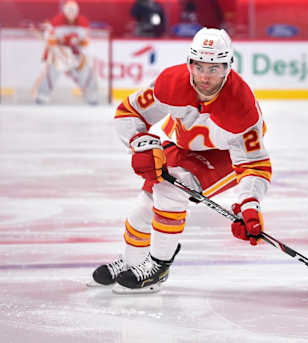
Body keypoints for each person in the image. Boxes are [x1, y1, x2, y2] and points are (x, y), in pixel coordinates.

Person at [89, 27, 272, 294]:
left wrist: (250, 204)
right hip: (183, 146)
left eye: (214, 69)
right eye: (199, 67)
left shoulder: (242, 108)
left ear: (228, 67)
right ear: (189, 64)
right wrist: (140, 144)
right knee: (144, 206)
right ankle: (131, 262)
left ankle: (159, 266)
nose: (205, 77)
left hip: (222, 157)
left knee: (171, 189)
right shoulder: (171, 83)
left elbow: (253, 163)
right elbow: (129, 112)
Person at [32, 0, 99, 105]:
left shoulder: (83, 22)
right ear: (65, 11)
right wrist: (61, 41)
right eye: (69, 11)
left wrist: (78, 42)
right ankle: (42, 96)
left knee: (86, 71)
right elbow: (50, 40)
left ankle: (92, 97)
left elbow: (86, 42)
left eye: (73, 12)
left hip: (77, 53)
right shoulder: (56, 22)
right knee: (52, 71)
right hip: (61, 53)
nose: (71, 15)